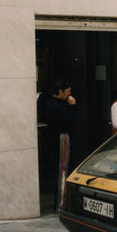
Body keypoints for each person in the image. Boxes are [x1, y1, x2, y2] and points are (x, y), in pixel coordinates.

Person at [43, 78, 76, 211]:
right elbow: (68, 122)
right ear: (60, 91)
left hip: (53, 139)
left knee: (59, 169)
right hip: (60, 138)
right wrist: (72, 107)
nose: (69, 94)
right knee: (62, 169)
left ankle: (61, 201)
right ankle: (61, 203)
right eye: (67, 91)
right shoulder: (55, 106)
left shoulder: (50, 103)